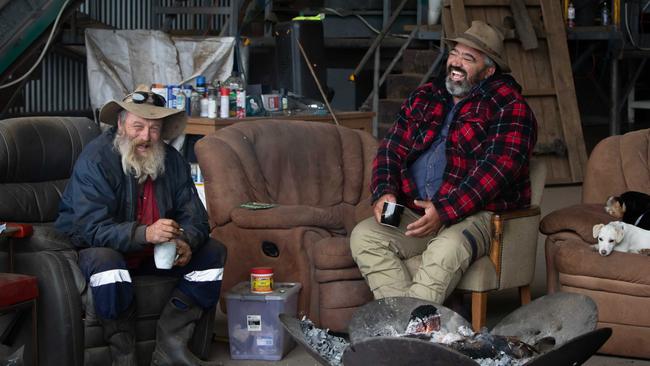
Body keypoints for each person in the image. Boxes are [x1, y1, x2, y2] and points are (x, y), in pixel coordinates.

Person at [350, 21, 538, 306]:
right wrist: (385, 190)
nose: (456, 63)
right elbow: (391, 148)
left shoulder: (510, 106)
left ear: (489, 71)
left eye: (468, 58)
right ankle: (408, 326)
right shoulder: (426, 95)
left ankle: (405, 333)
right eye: (455, 53)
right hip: (417, 210)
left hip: (475, 214)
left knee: (445, 249)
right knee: (364, 236)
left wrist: (445, 210)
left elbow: (497, 171)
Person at [55, 86, 226, 366]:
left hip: (152, 252)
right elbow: (91, 228)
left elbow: (196, 217)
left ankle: (171, 344)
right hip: (97, 249)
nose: (146, 137)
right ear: (121, 125)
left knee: (213, 253)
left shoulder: (171, 161)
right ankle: (124, 355)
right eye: (138, 126)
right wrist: (144, 233)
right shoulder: (97, 159)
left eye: (155, 128)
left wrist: (187, 240)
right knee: (107, 263)